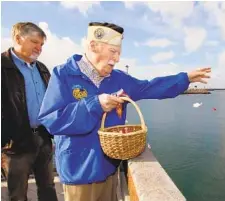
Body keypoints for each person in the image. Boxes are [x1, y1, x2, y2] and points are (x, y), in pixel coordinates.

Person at [38, 22, 211, 201]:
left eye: (119, 53)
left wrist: (184, 78)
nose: (117, 59)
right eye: (113, 51)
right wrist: (95, 104)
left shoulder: (120, 78)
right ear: (93, 45)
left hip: (110, 168)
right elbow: (51, 120)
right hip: (79, 174)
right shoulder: (63, 75)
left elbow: (151, 87)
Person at [1, 22, 58, 201]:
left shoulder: (42, 68)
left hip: (43, 138)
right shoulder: (2, 66)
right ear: (18, 38)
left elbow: (51, 103)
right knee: (17, 194)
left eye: (41, 44)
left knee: (48, 189)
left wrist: (53, 134)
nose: (39, 48)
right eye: (34, 42)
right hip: (15, 144)